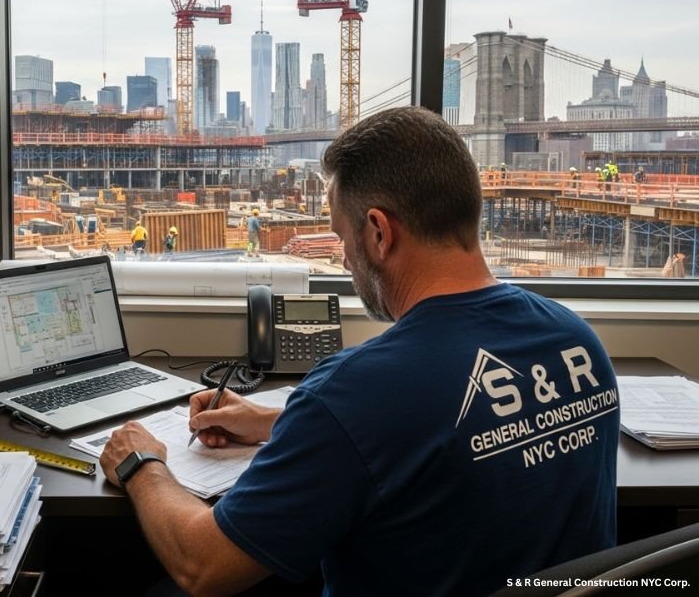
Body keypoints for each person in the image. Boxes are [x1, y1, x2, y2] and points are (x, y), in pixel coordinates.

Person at [99, 107, 619, 597]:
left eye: (341, 236)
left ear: (377, 232)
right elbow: (431, 438)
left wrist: (142, 463)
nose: (345, 258)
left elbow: (202, 566)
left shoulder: (352, 393)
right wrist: (273, 423)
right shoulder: (577, 341)